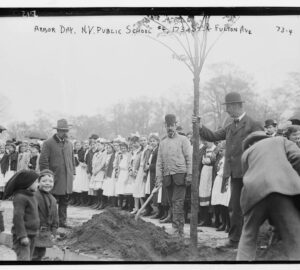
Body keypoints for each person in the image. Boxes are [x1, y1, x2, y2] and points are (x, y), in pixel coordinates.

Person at [192, 92, 263, 247]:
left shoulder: (253, 124)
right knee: (234, 207)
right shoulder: (230, 127)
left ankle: (253, 239)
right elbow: (212, 136)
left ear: (237, 106)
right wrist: (199, 125)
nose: (226, 110)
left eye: (228, 107)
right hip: (234, 174)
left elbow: (262, 147)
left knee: (251, 206)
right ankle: (235, 239)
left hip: (250, 172)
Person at [237, 131, 300, 260]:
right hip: (282, 189)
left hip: (254, 193)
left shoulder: (246, 154)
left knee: (248, 235)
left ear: (250, 144)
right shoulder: (280, 140)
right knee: (294, 235)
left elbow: (245, 178)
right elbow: (297, 157)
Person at [156, 114, 192, 237]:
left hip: (180, 177)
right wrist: (159, 177)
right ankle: (177, 229)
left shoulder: (183, 140)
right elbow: (159, 162)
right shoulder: (163, 142)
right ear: (165, 126)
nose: (170, 128)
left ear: (176, 125)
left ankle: (177, 229)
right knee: (172, 203)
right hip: (168, 177)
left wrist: (189, 174)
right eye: (167, 126)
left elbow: (189, 158)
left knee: (178, 202)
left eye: (172, 125)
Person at [39, 119, 75, 228]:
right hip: (54, 178)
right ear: (58, 130)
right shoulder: (48, 143)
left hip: (67, 177)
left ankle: (62, 221)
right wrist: (46, 176)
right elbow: (43, 161)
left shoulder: (69, 143)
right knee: (51, 201)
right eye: (63, 131)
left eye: (66, 131)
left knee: (64, 201)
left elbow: (72, 159)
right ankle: (50, 222)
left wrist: (73, 173)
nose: (65, 133)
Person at [4, 170, 40, 261]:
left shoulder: (32, 196)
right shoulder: (20, 197)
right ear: (27, 183)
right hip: (22, 236)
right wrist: (22, 236)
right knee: (24, 259)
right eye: (35, 182)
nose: (38, 184)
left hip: (32, 234)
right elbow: (18, 218)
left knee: (29, 258)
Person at [32, 170, 58, 261]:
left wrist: (54, 232)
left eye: (50, 181)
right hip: (33, 232)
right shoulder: (33, 196)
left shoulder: (53, 199)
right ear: (38, 182)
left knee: (41, 254)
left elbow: (55, 218)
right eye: (44, 181)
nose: (47, 184)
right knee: (32, 256)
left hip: (45, 233)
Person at [211, 142, 231, 232]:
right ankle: (223, 223)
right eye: (220, 151)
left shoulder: (229, 158)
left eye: (222, 150)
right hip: (219, 180)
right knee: (219, 202)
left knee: (225, 202)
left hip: (226, 180)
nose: (220, 152)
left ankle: (228, 224)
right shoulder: (221, 159)